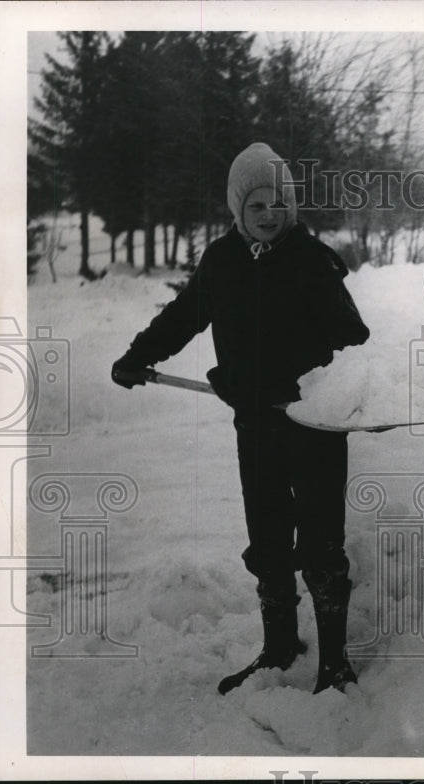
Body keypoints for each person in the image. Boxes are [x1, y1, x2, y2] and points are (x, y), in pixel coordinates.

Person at [111, 142, 370, 695]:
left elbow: (355, 339)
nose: (269, 214)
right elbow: (184, 316)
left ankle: (334, 661)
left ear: (291, 206)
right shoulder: (222, 261)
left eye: (279, 203)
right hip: (255, 426)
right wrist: (138, 356)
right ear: (237, 210)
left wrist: (323, 388)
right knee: (269, 539)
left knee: (322, 545)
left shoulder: (313, 261)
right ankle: (278, 647)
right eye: (257, 205)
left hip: (313, 425)